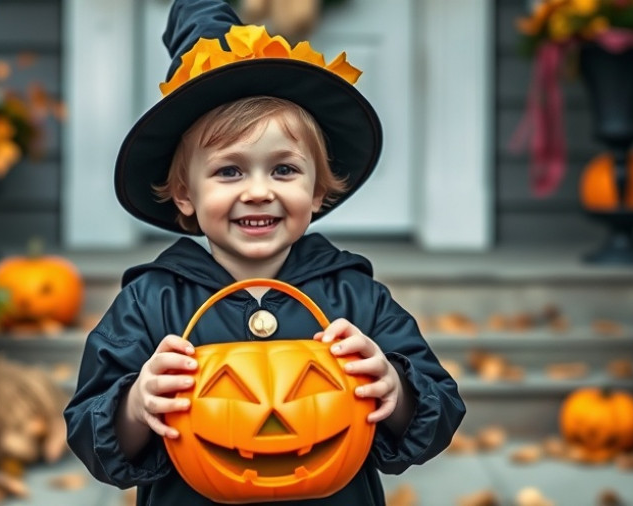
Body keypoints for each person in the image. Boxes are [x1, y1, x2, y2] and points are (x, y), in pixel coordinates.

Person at [64, 0, 465, 504]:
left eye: (284, 170)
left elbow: (441, 410)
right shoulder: (149, 303)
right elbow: (89, 434)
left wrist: (395, 390)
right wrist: (136, 407)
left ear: (318, 190)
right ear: (185, 194)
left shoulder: (357, 296)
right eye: (229, 171)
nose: (258, 191)